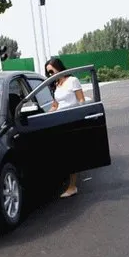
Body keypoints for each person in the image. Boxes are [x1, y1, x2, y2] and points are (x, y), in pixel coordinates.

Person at [45, 58, 85, 198]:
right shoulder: (56, 84)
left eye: (51, 71)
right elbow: (55, 106)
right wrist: (44, 116)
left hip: (71, 120)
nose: (50, 74)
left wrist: (77, 114)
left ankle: (72, 186)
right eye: (48, 72)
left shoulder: (72, 81)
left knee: (70, 154)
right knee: (63, 153)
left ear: (58, 68)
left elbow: (81, 100)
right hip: (59, 121)